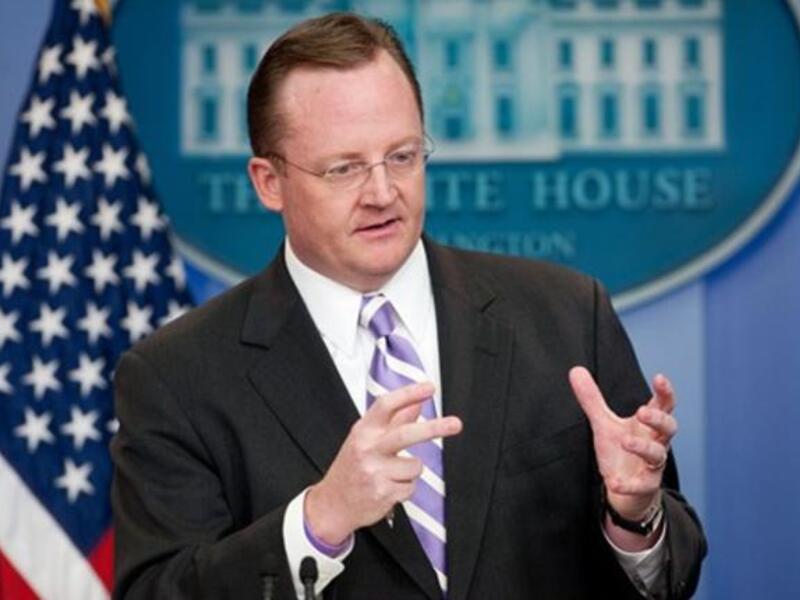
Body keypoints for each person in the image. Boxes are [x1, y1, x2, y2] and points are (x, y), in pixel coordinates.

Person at [111, 12, 706, 600]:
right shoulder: (176, 376)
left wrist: (635, 516)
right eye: (344, 168)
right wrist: (316, 524)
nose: (382, 193)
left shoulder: (566, 315)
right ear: (269, 182)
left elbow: (669, 574)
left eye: (401, 156)